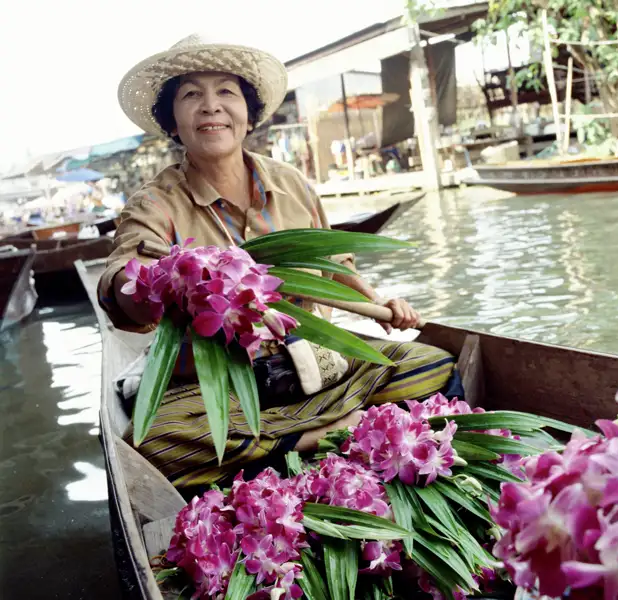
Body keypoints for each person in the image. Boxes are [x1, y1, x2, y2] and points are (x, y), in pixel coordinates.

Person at [101, 35, 457, 492]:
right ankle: (325, 435)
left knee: (433, 366)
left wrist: (378, 300)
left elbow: (332, 259)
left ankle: (295, 439)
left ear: (248, 114)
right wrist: (175, 282)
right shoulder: (154, 203)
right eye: (191, 94)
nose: (211, 106)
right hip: (223, 390)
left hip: (318, 370)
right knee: (152, 444)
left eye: (226, 92)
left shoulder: (291, 183)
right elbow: (121, 279)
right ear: (173, 120)